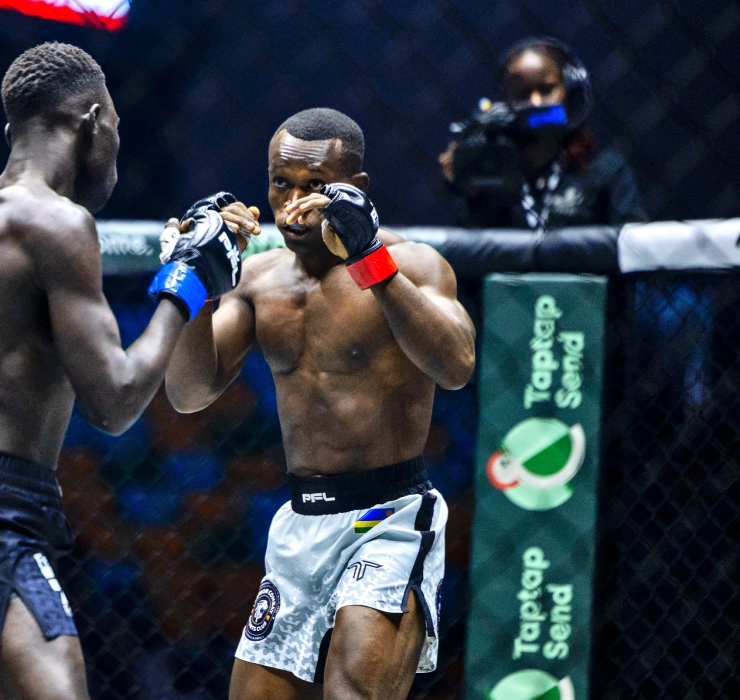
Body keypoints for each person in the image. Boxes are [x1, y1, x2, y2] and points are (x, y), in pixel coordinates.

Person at [0, 42, 253, 699]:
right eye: (117, 130)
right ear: (93, 120)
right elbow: (117, 401)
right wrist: (186, 284)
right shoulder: (58, 223)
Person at [165, 108, 476, 700]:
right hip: (300, 523)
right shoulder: (259, 280)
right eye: (282, 183)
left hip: (389, 517)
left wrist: (371, 262)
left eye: (314, 187)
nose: (295, 203)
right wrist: (197, 284)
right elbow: (187, 394)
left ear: (353, 190)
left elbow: (457, 366)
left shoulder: (413, 264)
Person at [439, 37, 648, 230]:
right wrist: (467, 189)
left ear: (570, 91)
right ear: (507, 102)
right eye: (522, 95)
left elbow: (635, 250)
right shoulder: (494, 173)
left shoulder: (603, 170)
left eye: (547, 90)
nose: (536, 103)